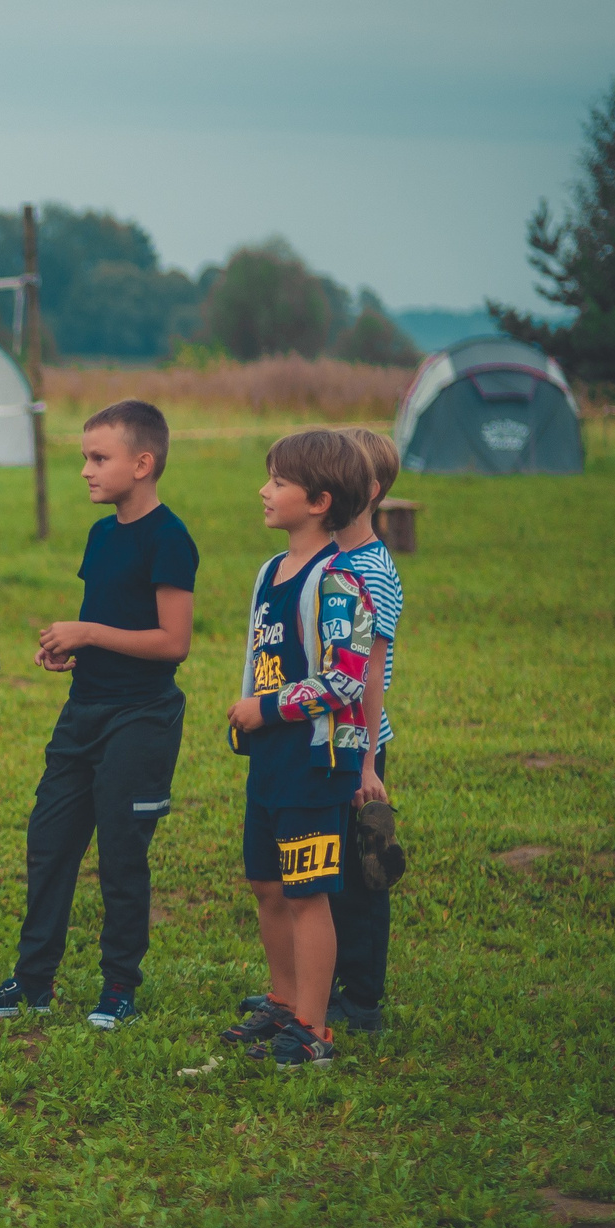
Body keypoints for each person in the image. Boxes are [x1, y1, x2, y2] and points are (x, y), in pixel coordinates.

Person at [0, 401, 197, 1029]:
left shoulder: (171, 539)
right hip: (83, 713)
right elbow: (114, 622)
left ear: (142, 464)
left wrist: (88, 632)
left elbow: (173, 643)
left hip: (141, 720)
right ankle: (32, 982)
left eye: (99, 459)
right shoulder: (101, 535)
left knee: (122, 855)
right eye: (84, 458)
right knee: (49, 843)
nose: (86, 471)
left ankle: (119, 986)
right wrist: (72, 651)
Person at [220, 431, 377, 1070]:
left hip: (316, 762)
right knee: (267, 882)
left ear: (318, 500)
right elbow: (262, 654)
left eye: (278, 482)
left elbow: (346, 678)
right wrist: (246, 714)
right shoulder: (269, 571)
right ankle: (285, 1003)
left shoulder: (338, 583)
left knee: (307, 889)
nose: (264, 490)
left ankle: (316, 1029)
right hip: (271, 760)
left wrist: (269, 708)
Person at [328, 427, 405, 1032]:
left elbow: (371, 673)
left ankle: (361, 1000)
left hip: (359, 745)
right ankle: (318, 983)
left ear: (367, 489)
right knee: (327, 872)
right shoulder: (337, 562)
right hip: (331, 739)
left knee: (361, 878)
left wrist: (367, 765)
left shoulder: (370, 570)